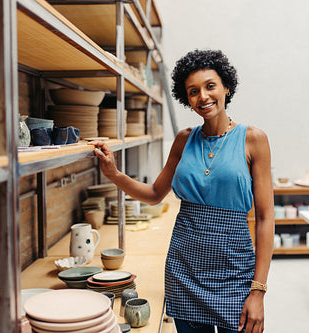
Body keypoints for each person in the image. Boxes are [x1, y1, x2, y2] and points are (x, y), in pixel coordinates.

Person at [90, 49, 274, 333]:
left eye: (210, 86)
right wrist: (114, 174)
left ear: (226, 87)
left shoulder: (253, 140)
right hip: (184, 269)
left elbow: (265, 218)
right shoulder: (183, 139)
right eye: (193, 91)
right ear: (186, 98)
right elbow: (154, 193)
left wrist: (258, 291)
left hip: (235, 270)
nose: (203, 96)